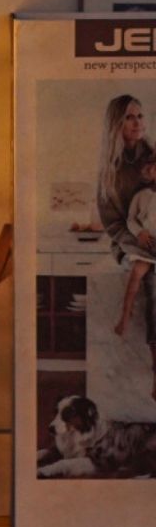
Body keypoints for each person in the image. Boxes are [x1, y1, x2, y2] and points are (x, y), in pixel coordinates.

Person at [97, 94, 156, 397]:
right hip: (129, 243)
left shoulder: (153, 156)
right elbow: (113, 224)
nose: (138, 123)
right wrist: (139, 240)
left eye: (141, 116)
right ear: (116, 124)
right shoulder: (110, 171)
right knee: (152, 278)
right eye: (130, 117)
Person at [114, 152, 156, 337]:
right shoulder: (142, 196)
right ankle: (124, 317)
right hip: (147, 247)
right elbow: (131, 220)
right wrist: (140, 232)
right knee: (136, 274)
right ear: (150, 171)